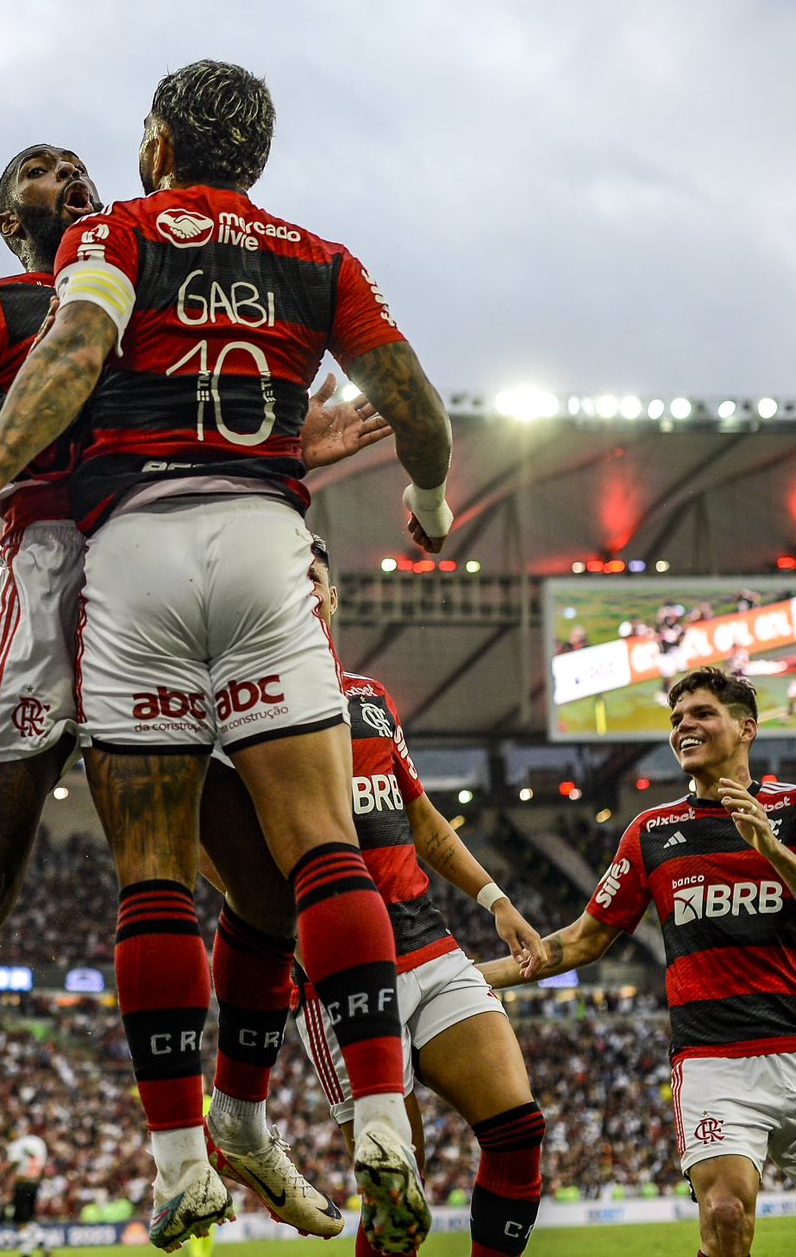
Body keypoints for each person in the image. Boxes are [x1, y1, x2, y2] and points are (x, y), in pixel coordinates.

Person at [0, 60, 457, 1254]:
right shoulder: (319, 255)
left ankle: (181, 1164)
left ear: (155, 142)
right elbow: (416, 401)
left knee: (153, 870)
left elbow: (70, 358)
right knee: (323, 849)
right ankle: (382, 1132)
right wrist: (426, 491)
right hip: (268, 542)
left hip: (134, 552)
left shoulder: (117, 232)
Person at [479, 667, 796, 1257]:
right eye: (676, 719)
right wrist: (458, 977)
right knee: (726, 1215)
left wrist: (767, 843)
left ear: (746, 728)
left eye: (702, 714)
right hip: (714, 1063)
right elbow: (581, 943)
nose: (684, 725)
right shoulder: (652, 832)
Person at [202, 538, 550, 1257]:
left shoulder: (370, 698)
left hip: (430, 944)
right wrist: (280, 920)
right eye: (286, 575)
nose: (303, 586)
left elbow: (419, 818)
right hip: (339, 972)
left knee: (518, 1130)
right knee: (399, 1187)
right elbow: (207, 844)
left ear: (332, 596)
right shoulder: (238, 702)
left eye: (315, 576)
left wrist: (495, 900)